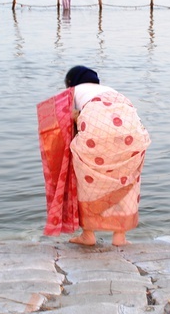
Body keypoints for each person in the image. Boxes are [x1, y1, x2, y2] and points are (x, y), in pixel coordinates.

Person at [40, 66, 151, 247]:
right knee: (125, 180)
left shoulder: (71, 93)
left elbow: (58, 120)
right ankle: (119, 237)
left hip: (96, 134)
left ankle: (88, 235)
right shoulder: (110, 91)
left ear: (71, 83)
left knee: (85, 182)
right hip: (133, 136)